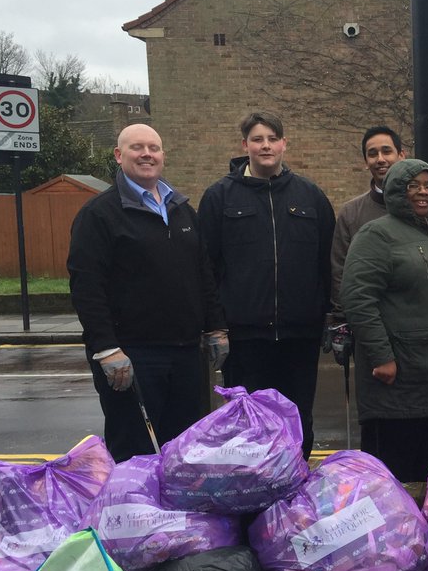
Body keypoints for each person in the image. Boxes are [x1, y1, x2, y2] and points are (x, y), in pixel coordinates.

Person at [68, 124, 228, 463]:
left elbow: (203, 273)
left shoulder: (182, 209)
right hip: (131, 356)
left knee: (185, 452)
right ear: (118, 155)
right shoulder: (99, 214)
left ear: (162, 155)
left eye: (153, 148)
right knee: (135, 452)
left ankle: (181, 518)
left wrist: (216, 327)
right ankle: (132, 516)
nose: (146, 154)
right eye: (137, 147)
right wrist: (106, 348)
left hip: (186, 353)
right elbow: (86, 285)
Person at [197, 111, 335, 457]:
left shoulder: (311, 197)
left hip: (299, 336)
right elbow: (206, 268)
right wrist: (214, 325)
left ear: (284, 144)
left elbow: (326, 264)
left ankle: (295, 498)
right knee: (249, 429)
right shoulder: (219, 198)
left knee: (298, 421)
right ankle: (252, 500)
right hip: (244, 338)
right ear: (245, 146)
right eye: (258, 139)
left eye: (273, 138)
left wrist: (330, 317)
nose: (266, 145)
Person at [339, 159, 428, 484]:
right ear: (395, 190)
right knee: (396, 479)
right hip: (401, 382)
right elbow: (358, 298)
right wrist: (382, 356)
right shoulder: (375, 234)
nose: (423, 192)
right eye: (413, 185)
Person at [330, 125, 428, 314]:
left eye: (386, 151)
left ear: (401, 155)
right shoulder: (351, 213)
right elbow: (340, 275)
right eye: (372, 154)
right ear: (366, 162)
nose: (380, 159)